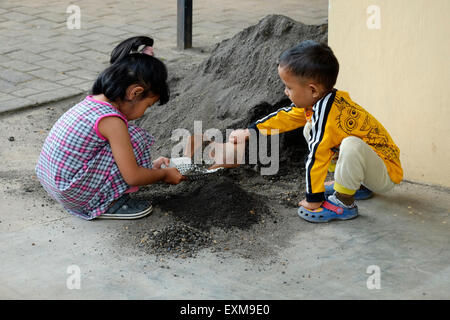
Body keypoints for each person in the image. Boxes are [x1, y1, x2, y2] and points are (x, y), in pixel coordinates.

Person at [229, 40, 403, 223]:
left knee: (349, 144)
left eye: (289, 87)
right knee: (310, 128)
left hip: (385, 172)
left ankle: (344, 203)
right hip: (370, 166)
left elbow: (317, 156)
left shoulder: (328, 116)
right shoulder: (321, 102)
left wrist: (314, 198)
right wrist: (251, 131)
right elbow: (286, 117)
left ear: (312, 90)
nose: (285, 92)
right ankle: (355, 185)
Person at [35, 36, 185, 221]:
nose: (145, 112)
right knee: (134, 139)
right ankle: (110, 205)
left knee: (125, 144)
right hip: (73, 194)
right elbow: (132, 177)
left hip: (57, 185)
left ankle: (96, 197)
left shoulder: (93, 103)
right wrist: (163, 174)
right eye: (148, 105)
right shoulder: (112, 121)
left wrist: (150, 167)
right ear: (135, 93)